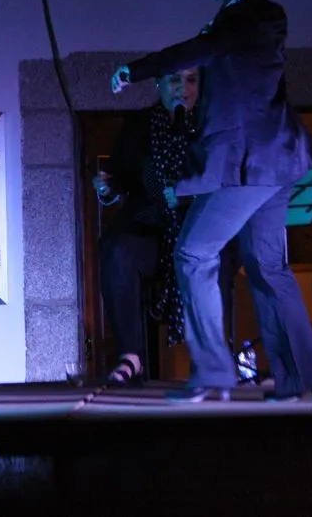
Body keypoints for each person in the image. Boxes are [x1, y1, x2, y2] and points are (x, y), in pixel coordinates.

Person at [111, 0, 312, 403]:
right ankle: (298, 377)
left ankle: (213, 371)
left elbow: (201, 49)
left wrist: (137, 69)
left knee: (193, 254)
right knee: (267, 266)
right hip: (271, 159)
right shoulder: (249, 17)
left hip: (252, 162)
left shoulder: (252, 15)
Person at [95, 68, 241, 386]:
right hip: (151, 226)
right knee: (116, 249)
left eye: (191, 80)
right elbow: (119, 179)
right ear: (159, 83)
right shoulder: (139, 126)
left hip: (200, 227)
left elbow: (226, 179)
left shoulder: (213, 124)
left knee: (218, 255)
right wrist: (108, 189)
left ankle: (212, 359)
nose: (182, 88)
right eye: (174, 80)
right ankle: (131, 357)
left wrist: (187, 193)